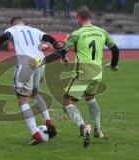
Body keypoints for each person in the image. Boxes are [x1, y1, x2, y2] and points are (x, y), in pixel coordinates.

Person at [30, 6, 119, 148]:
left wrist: (41, 61)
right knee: (90, 98)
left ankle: (83, 127)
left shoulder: (77, 33)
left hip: (82, 73)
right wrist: (113, 64)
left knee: (67, 103)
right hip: (98, 74)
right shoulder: (102, 32)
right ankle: (98, 130)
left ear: (78, 18)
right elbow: (115, 49)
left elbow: (60, 52)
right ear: (90, 18)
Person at [0, 17, 59, 145]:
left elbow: (4, 37)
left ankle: (35, 133)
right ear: (24, 23)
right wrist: (60, 51)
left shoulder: (12, 30)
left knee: (23, 99)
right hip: (40, 64)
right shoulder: (34, 30)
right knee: (35, 94)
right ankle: (48, 122)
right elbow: (50, 39)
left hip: (25, 64)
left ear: (13, 24)